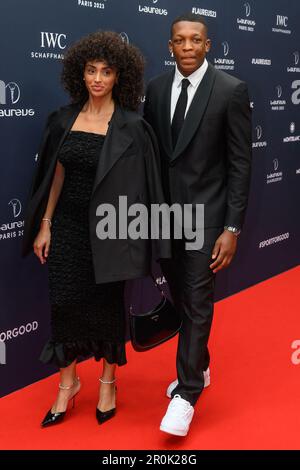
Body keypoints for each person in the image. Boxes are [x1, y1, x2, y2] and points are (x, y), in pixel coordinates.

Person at [22, 31, 169, 427]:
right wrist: (45, 224)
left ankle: (108, 382)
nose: (98, 78)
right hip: (67, 227)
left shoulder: (133, 126)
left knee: (107, 309)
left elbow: (145, 186)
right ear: (80, 74)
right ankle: (67, 385)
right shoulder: (63, 119)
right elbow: (56, 176)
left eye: (106, 71)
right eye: (91, 70)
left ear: (119, 76)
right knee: (64, 304)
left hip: (111, 231)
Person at [144, 13, 252, 436]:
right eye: (179, 41)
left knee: (197, 299)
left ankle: (187, 393)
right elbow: (153, 156)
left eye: (196, 40)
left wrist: (233, 228)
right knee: (182, 299)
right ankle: (201, 369)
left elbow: (241, 164)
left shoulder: (230, 90)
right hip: (165, 218)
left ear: (208, 46)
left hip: (207, 218)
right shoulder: (154, 90)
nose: (187, 47)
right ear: (169, 46)